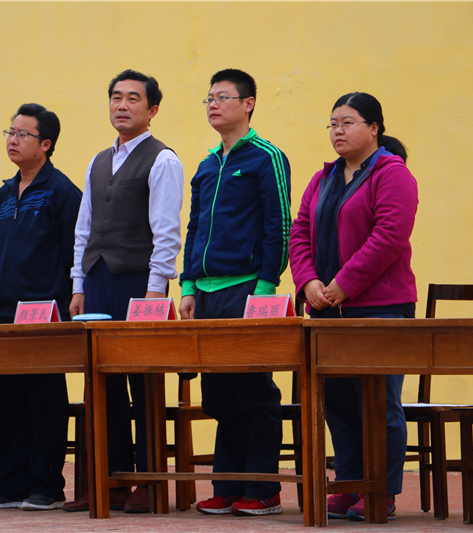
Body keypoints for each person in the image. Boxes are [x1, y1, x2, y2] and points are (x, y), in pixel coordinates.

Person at [289, 92, 418, 521]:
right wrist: (308, 282)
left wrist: (344, 285)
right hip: (326, 309)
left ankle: (381, 489)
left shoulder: (392, 173)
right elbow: (299, 232)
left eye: (348, 123)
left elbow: (389, 236)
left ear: (374, 128)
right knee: (340, 402)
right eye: (333, 124)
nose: (338, 131)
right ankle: (349, 482)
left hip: (380, 307)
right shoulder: (322, 178)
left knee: (378, 402)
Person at [63, 69, 184, 513]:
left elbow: (166, 231)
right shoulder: (98, 161)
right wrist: (78, 283)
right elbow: (84, 228)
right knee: (103, 383)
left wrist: (156, 290)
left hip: (138, 282)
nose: (122, 105)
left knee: (142, 381)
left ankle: (149, 480)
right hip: (97, 280)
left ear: (152, 110)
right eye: (116, 97)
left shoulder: (163, 159)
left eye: (134, 98)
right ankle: (111, 480)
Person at [179, 68, 291, 517]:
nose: (213, 104)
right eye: (209, 98)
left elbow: (279, 225)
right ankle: (226, 486)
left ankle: (263, 488)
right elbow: (194, 228)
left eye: (222, 97)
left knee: (253, 390)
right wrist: (188, 285)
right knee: (219, 395)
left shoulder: (267, 157)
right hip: (205, 293)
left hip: (247, 288)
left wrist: (265, 287)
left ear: (248, 104)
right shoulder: (207, 165)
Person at [0, 103, 82, 511]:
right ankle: (11, 483)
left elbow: (75, 253)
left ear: (46, 144)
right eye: (11, 132)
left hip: (45, 312)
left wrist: (67, 303)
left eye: (23, 134)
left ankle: (46, 485)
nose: (13, 140)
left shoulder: (63, 192)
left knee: (44, 400)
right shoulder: (5, 193)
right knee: (10, 400)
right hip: (8, 310)